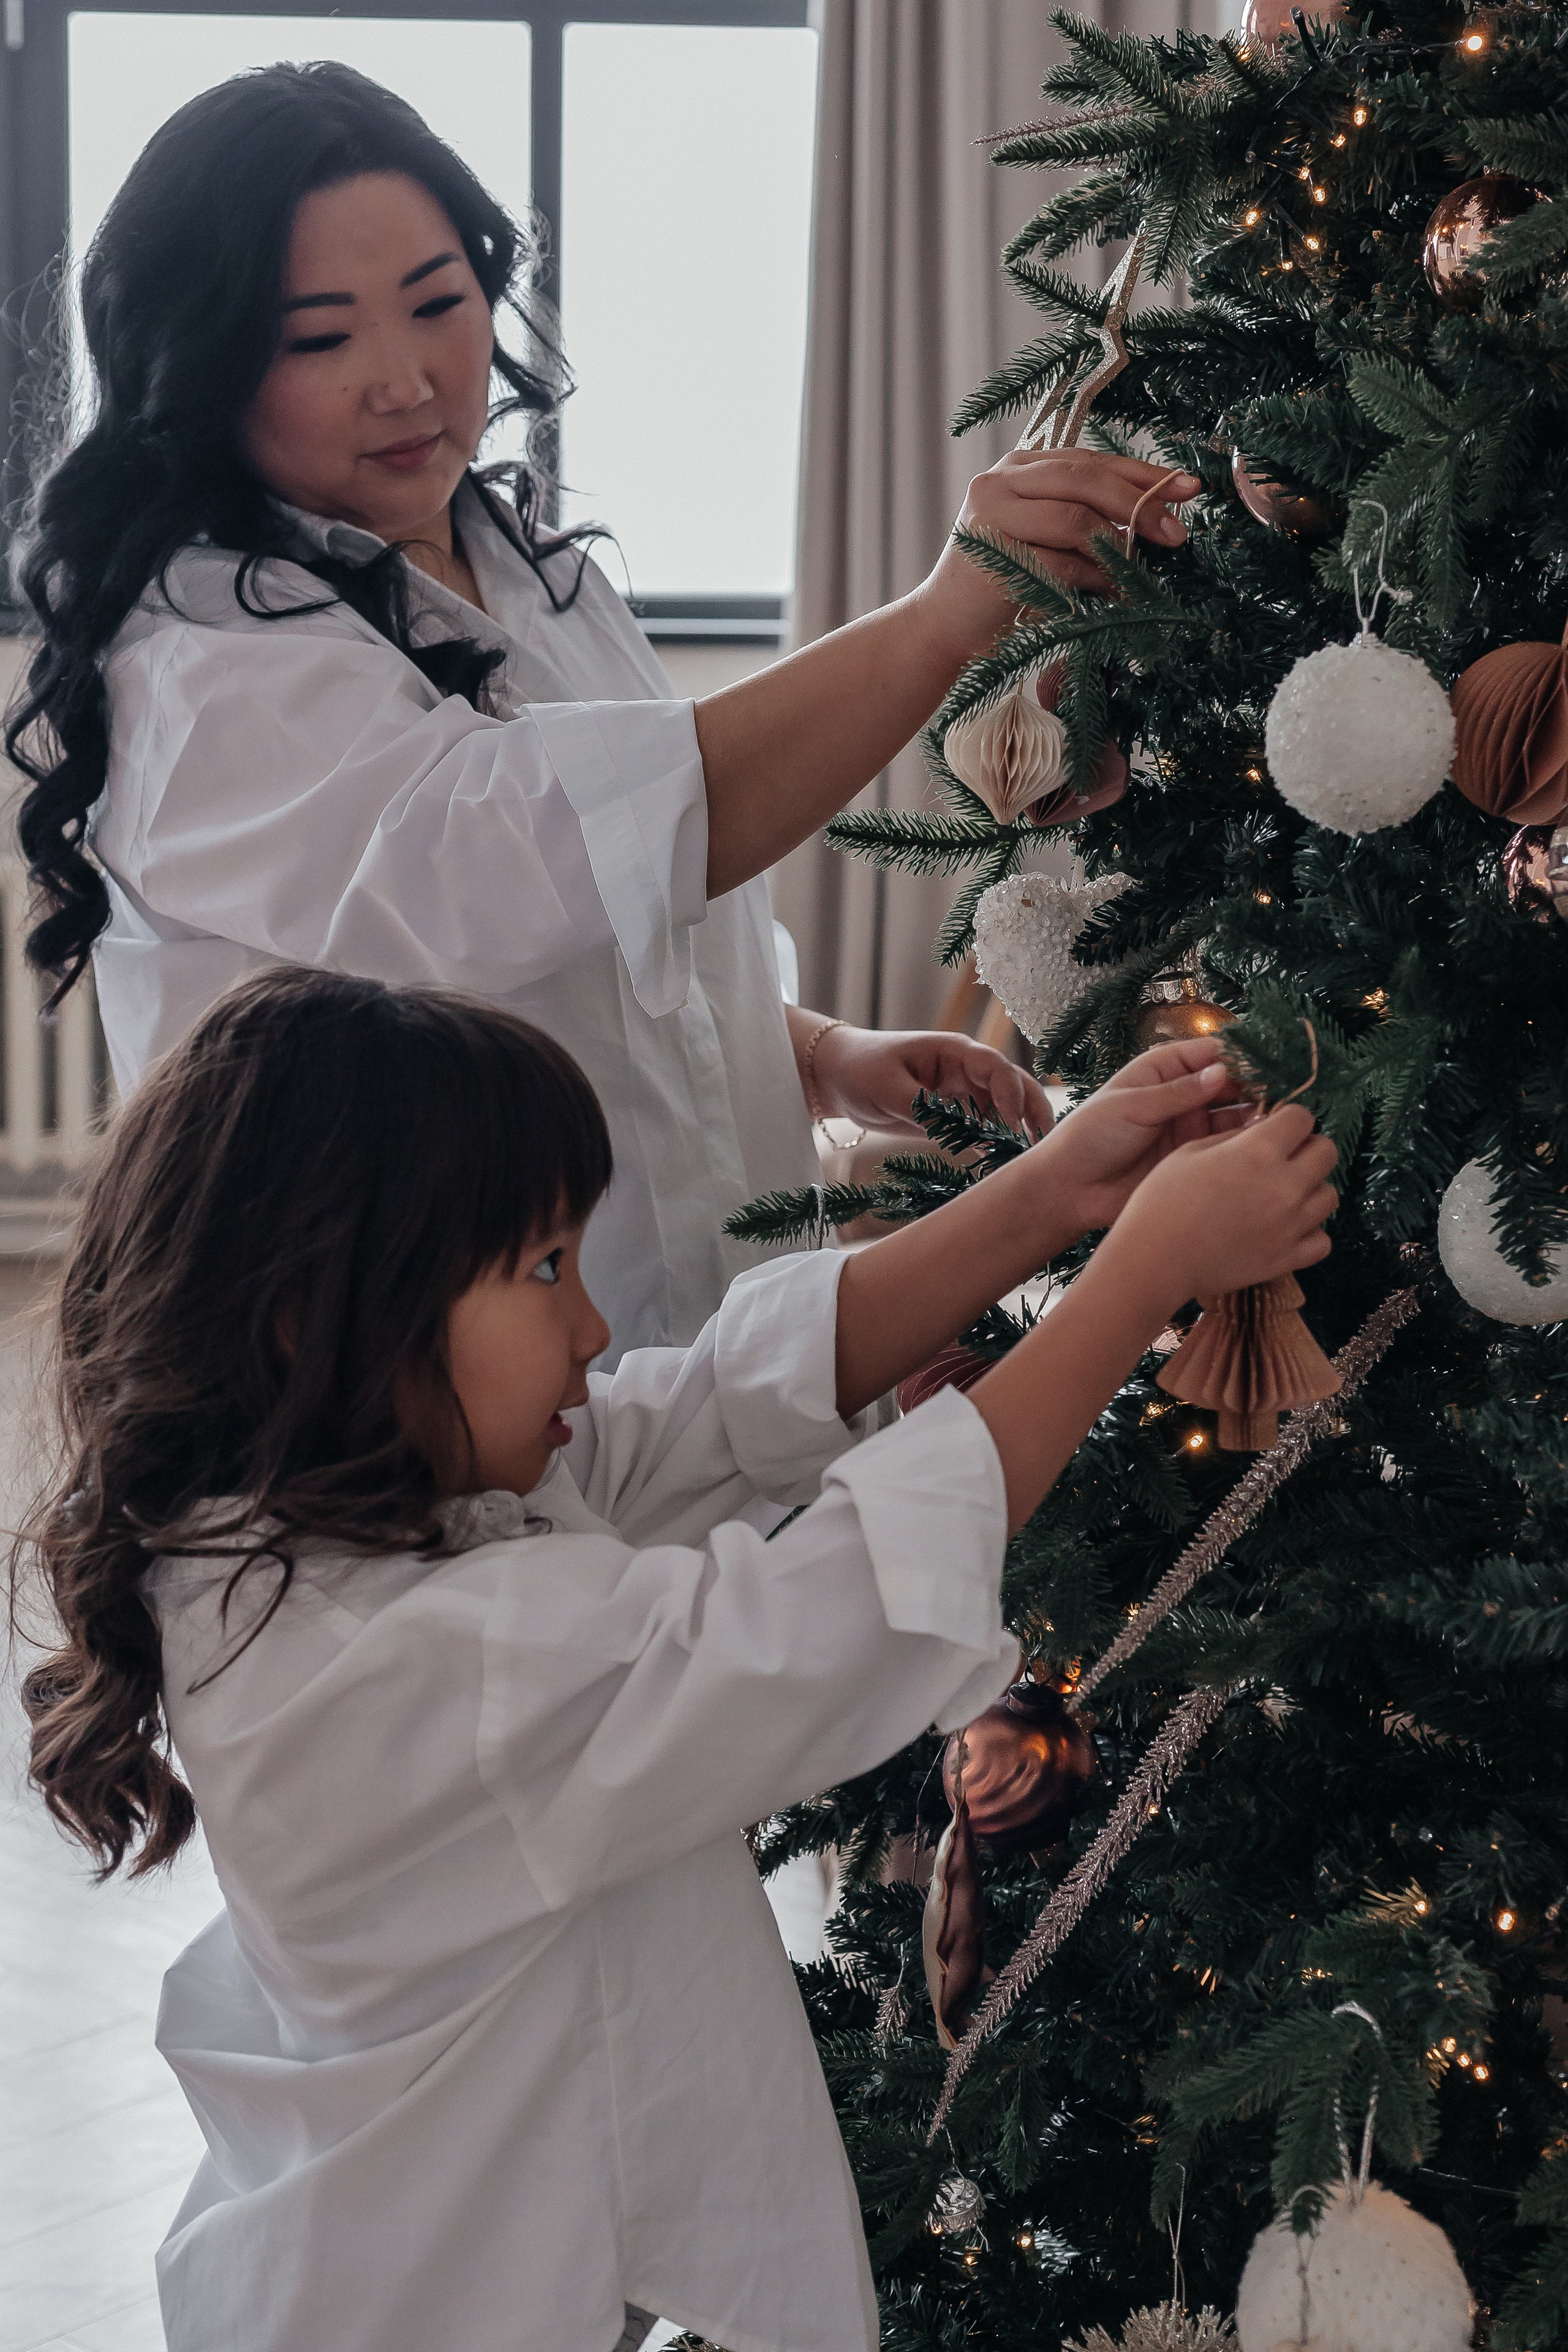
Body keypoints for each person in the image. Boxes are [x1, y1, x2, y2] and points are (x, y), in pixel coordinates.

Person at [13, 968, 1337, 2352]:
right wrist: (1137, 1279)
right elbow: (811, 1619)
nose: (589, 1327)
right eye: (541, 1270)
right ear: (322, 1317)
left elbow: (703, 1408)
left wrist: (1054, 1193)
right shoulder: (411, 1659)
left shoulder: (330, 1499)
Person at [4, 61, 1200, 1353]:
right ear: (202, 368)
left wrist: (811, 1052)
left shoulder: (522, 563)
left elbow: (615, 932)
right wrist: (936, 620)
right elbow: (529, 861)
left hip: (676, 1352)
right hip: (397, 1386)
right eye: (319, 338)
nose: (404, 380)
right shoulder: (196, 651)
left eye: (435, 304)